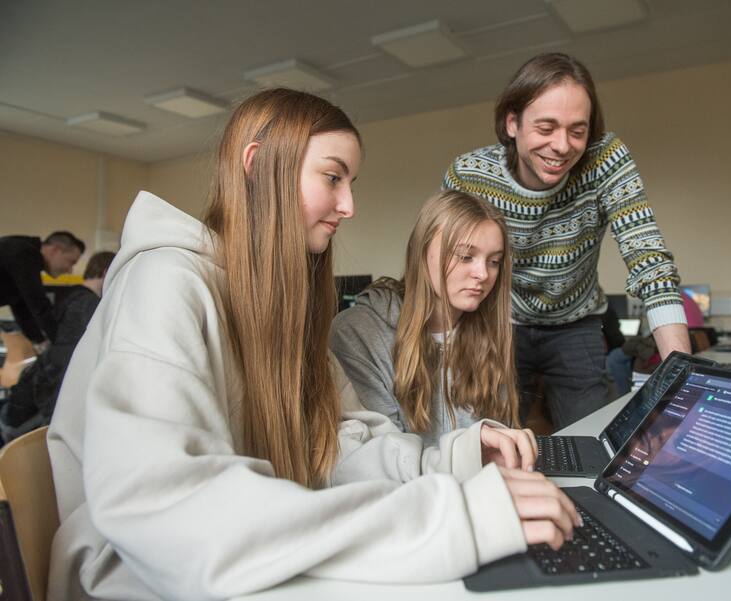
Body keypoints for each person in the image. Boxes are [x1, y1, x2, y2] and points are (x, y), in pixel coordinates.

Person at [47, 88, 579, 601]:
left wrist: (460, 460)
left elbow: (336, 445)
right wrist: (452, 519)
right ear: (258, 166)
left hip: (230, 555)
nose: (348, 205)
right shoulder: (166, 281)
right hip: (139, 575)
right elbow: (172, 508)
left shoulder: (278, 308)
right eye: (333, 177)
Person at [443, 52, 691, 428]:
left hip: (577, 323)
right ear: (512, 123)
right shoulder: (470, 176)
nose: (562, 146)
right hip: (499, 323)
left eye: (577, 131)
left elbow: (648, 257)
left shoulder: (605, 160)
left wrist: (681, 378)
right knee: (493, 437)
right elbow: (445, 269)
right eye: (546, 128)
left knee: (590, 437)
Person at [330, 190, 521, 448]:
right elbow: (383, 453)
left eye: (494, 261)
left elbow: (497, 437)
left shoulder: (489, 329)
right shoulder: (357, 332)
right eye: (465, 256)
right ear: (421, 252)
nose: (483, 274)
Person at [0, 251, 115, 444]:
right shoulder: (90, 309)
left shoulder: (69, 298)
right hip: (27, 429)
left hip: (17, 409)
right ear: (107, 273)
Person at [0, 231, 84, 345]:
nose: (70, 270)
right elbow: (38, 303)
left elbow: (23, 308)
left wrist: (40, 341)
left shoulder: (19, 250)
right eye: (71, 262)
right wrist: (62, 343)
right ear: (55, 250)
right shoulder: (24, 253)